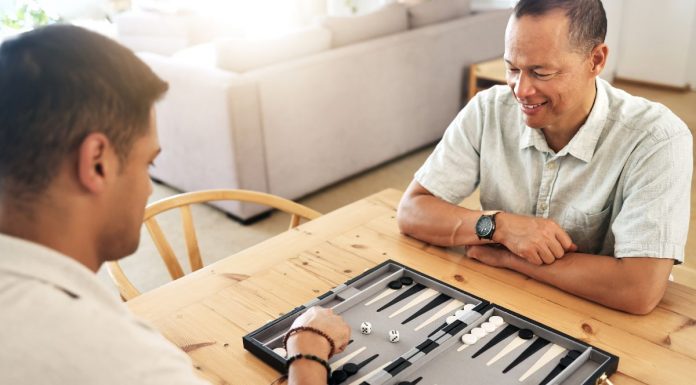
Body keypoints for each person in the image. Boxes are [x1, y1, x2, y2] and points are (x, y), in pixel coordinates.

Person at [0, 24, 349, 385]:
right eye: (147, 163)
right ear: (97, 163)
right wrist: (307, 350)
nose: (149, 188)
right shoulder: (113, 357)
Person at [397, 0, 692, 315]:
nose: (520, 89)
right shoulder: (488, 110)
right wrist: (498, 227)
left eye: (541, 72)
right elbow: (413, 211)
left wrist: (511, 258)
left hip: (602, 321)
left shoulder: (657, 138)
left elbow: (639, 289)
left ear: (596, 60)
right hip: (501, 302)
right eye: (512, 68)